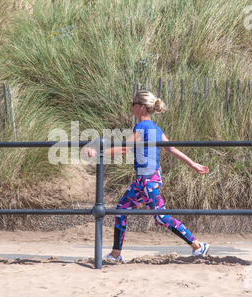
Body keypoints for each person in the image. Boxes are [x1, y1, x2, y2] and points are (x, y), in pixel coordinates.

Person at [84, 90, 210, 261]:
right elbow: (172, 148)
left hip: (148, 181)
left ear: (141, 107)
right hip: (143, 181)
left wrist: (99, 151)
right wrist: (193, 164)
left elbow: (124, 148)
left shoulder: (142, 126)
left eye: (133, 104)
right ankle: (115, 254)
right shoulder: (156, 128)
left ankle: (197, 246)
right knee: (121, 210)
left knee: (161, 217)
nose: (131, 107)